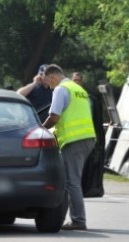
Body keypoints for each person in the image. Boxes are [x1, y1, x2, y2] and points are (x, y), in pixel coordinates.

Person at [41, 64, 96, 231]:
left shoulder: (61, 89)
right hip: (87, 138)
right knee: (68, 181)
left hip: (73, 139)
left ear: (52, 77)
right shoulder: (79, 90)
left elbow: (54, 116)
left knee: (72, 181)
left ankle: (79, 220)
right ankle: (62, 218)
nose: (49, 87)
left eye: (48, 83)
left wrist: (41, 129)